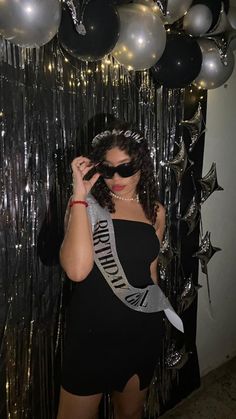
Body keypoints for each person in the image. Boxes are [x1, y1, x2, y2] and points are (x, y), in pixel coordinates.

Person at [57, 125, 183, 419]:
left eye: (126, 168)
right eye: (108, 169)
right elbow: (76, 271)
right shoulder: (85, 205)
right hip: (91, 334)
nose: (116, 178)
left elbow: (150, 275)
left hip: (140, 332)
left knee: (131, 414)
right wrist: (78, 195)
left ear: (142, 165)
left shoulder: (156, 211)